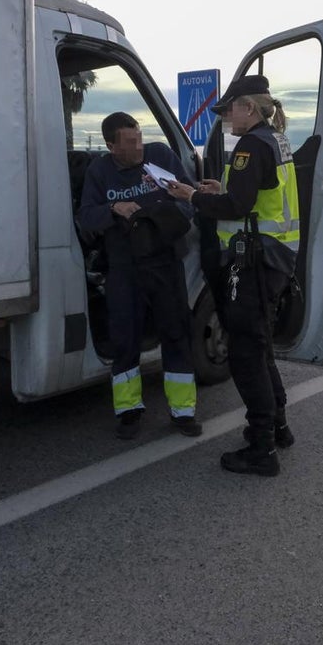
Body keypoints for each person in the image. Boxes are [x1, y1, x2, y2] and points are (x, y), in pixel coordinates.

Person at [166, 74, 298, 477]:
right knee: (260, 347)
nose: (225, 118)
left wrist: (193, 196)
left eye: (229, 110)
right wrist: (215, 186)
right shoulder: (275, 141)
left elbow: (238, 205)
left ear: (249, 108)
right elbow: (254, 194)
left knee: (245, 354)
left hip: (254, 262)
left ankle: (262, 450)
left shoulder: (250, 145)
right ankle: (278, 426)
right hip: (274, 261)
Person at [77, 112, 201, 440]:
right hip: (123, 268)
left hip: (164, 262)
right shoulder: (99, 171)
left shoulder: (160, 155)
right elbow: (86, 217)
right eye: (131, 143)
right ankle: (129, 411)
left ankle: (183, 411)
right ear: (111, 146)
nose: (139, 147)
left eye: (140, 137)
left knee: (176, 334)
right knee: (124, 338)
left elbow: (189, 199)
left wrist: (166, 211)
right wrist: (113, 210)